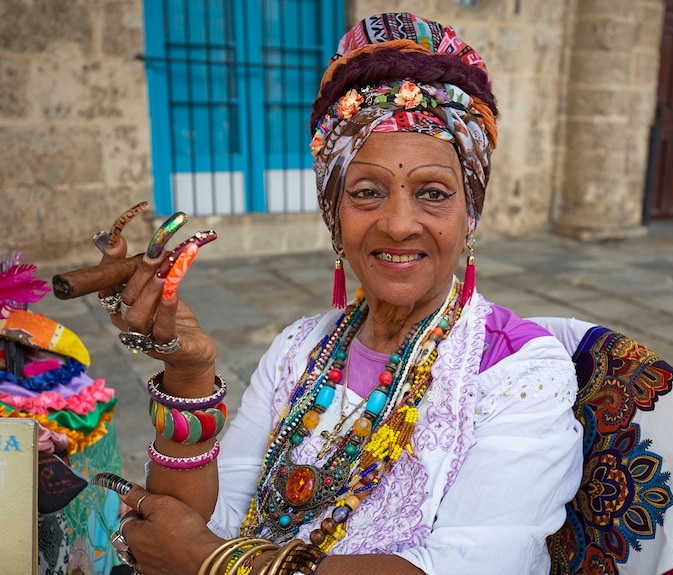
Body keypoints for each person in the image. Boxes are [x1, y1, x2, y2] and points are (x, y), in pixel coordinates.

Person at [89, 13, 583, 575]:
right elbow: (195, 525)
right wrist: (189, 377)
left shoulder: (520, 371)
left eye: (434, 193)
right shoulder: (299, 348)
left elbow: (474, 565)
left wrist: (212, 564)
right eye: (367, 192)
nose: (399, 224)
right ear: (334, 216)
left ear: (469, 217)